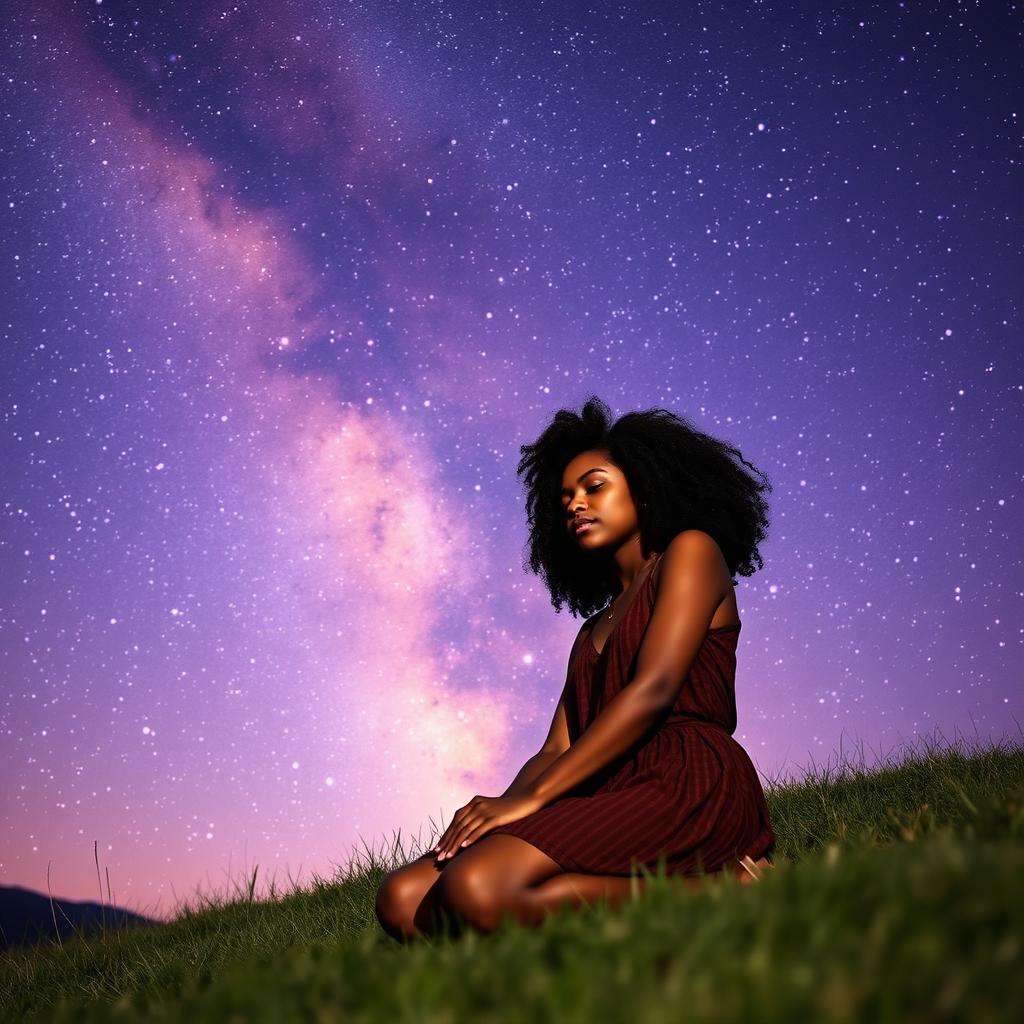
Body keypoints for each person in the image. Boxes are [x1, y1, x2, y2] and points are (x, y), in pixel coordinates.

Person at [375, 395, 777, 941]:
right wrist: (502, 813)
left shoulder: (691, 552)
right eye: (564, 497)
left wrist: (536, 800)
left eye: (594, 486)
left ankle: (726, 888)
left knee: (478, 890)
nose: (574, 505)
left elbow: (654, 690)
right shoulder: (591, 629)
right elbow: (555, 751)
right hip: (606, 786)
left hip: (687, 777)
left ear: (646, 485)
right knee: (402, 900)